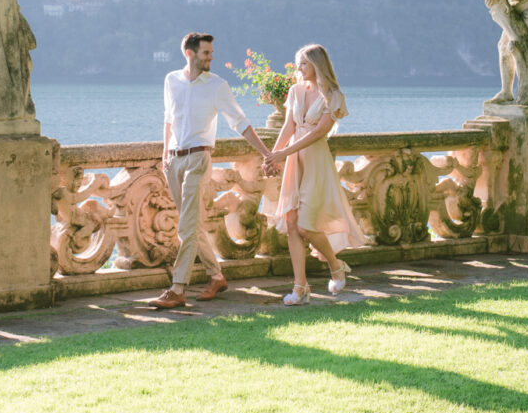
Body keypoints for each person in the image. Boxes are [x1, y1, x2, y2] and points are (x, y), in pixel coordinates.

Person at [152, 32, 273, 309]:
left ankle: (177, 288)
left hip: (199, 159)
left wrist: (266, 153)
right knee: (191, 224)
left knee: (186, 226)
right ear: (190, 53)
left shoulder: (217, 85)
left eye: (211, 52)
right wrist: (165, 153)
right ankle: (217, 277)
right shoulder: (171, 80)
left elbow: (240, 122)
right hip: (174, 160)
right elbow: (169, 119)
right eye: (206, 53)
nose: (211, 57)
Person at [262, 43, 369, 304]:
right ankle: (300, 287)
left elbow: (319, 132)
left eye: (304, 63)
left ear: (317, 65)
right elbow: (288, 127)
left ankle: (335, 265)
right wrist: (272, 156)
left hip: (316, 162)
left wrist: (283, 153)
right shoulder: (295, 91)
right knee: (291, 223)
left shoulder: (333, 96)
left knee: (306, 225)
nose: (299, 68)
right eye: (298, 63)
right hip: (294, 162)